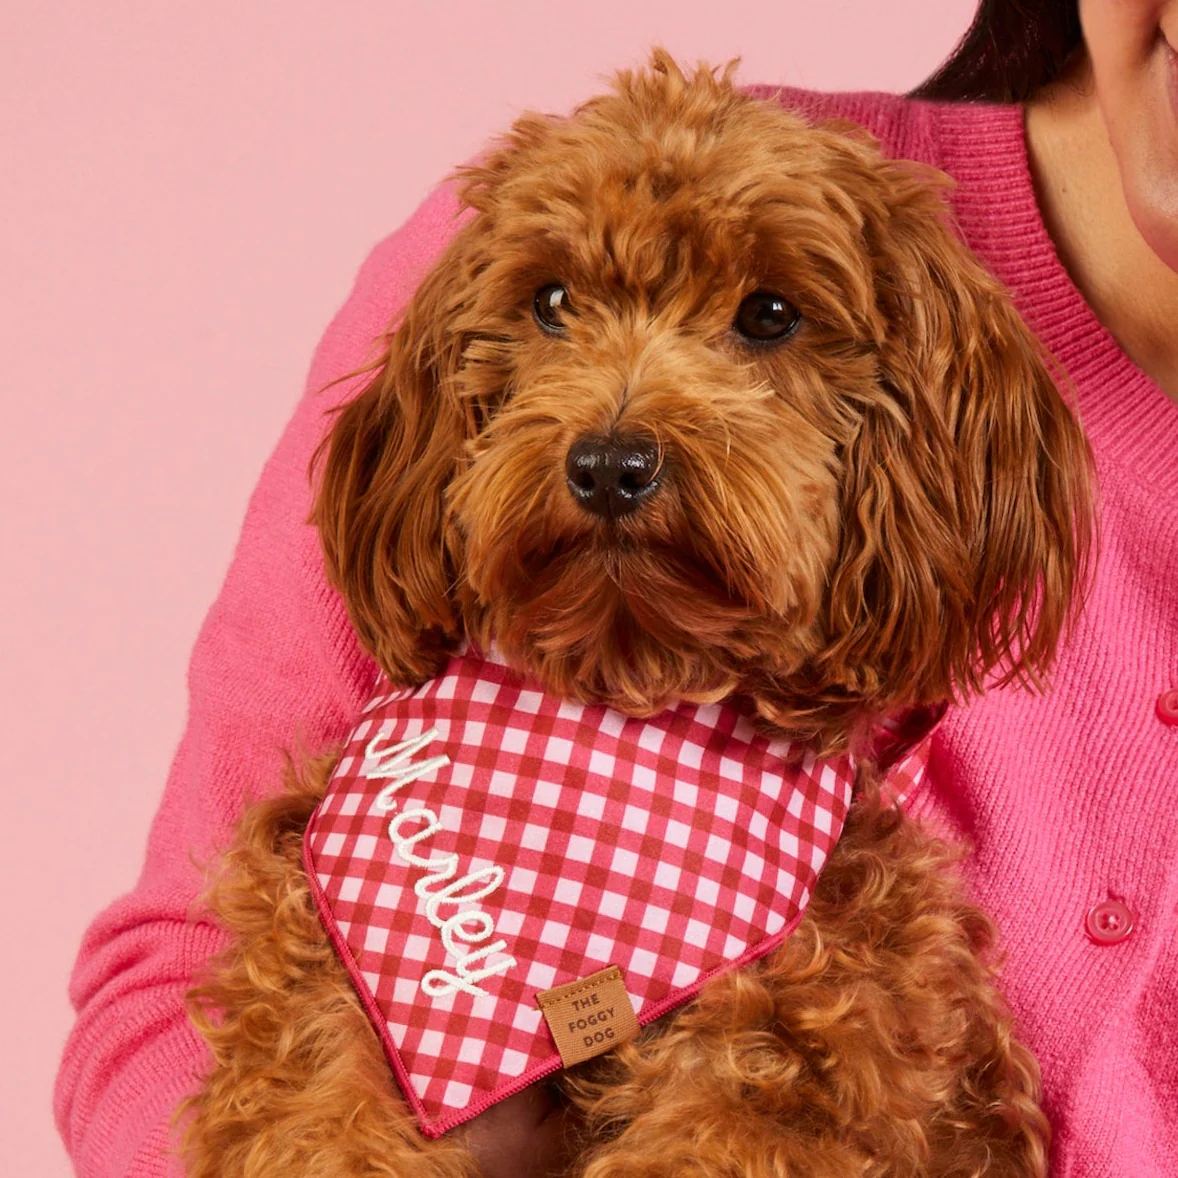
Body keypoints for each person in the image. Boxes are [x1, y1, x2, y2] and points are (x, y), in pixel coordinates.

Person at [54, 1, 1178, 1174]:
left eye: (762, 322)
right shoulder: (541, 209)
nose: (613, 434)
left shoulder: (938, 372)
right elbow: (177, 988)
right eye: (554, 311)